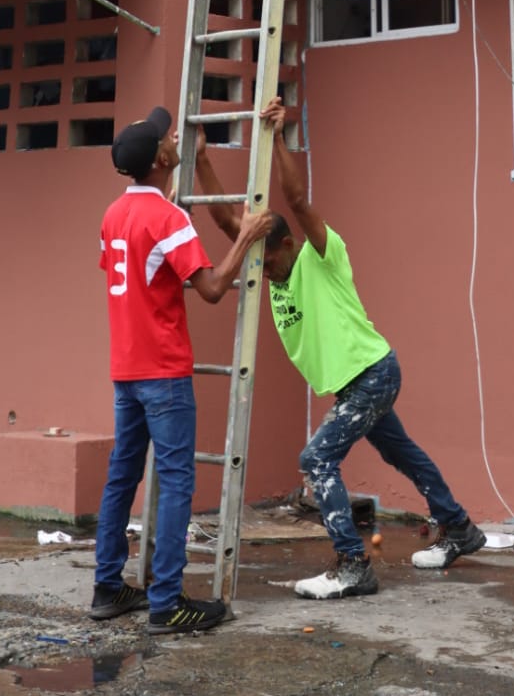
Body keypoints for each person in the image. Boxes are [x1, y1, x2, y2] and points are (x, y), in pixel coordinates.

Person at [196, 98, 487, 600]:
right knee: (402, 453)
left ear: (287, 246)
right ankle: (459, 527)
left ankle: (354, 565)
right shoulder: (271, 269)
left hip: (372, 372)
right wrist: (202, 158)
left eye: (268, 261)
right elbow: (227, 223)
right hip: (358, 382)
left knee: (316, 459)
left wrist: (280, 137)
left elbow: (298, 200)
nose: (263, 272)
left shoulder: (321, 257)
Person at [92, 106, 274, 634]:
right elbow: (212, 289)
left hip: (126, 369)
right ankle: (167, 603)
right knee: (174, 482)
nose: (173, 138)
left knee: (122, 477)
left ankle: (107, 588)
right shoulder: (169, 220)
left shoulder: (113, 215)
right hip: (164, 371)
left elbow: (137, 268)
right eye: (165, 138)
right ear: (159, 160)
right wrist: (247, 235)